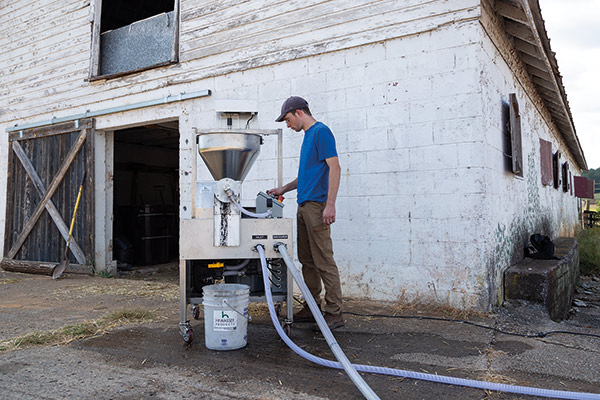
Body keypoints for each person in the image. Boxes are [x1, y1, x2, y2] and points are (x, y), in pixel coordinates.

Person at [268, 96, 344, 330]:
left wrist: (330, 204)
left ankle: (335, 313)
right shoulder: (308, 137)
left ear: (299, 112)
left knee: (323, 260)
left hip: (317, 206)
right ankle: (312, 307)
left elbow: (335, 167)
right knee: (307, 260)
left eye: (288, 120)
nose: (288, 125)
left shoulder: (321, 132)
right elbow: (307, 177)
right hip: (303, 204)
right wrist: (284, 189)